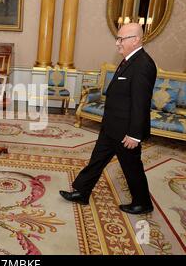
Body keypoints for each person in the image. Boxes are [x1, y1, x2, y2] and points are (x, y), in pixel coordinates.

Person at [60, 23, 157, 215]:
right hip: (112, 125)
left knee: (132, 168)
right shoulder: (129, 60)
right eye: (117, 38)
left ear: (136, 40)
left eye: (121, 39)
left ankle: (143, 203)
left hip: (126, 131)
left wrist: (134, 135)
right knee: (97, 160)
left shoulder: (143, 64)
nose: (117, 43)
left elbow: (140, 103)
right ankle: (82, 191)